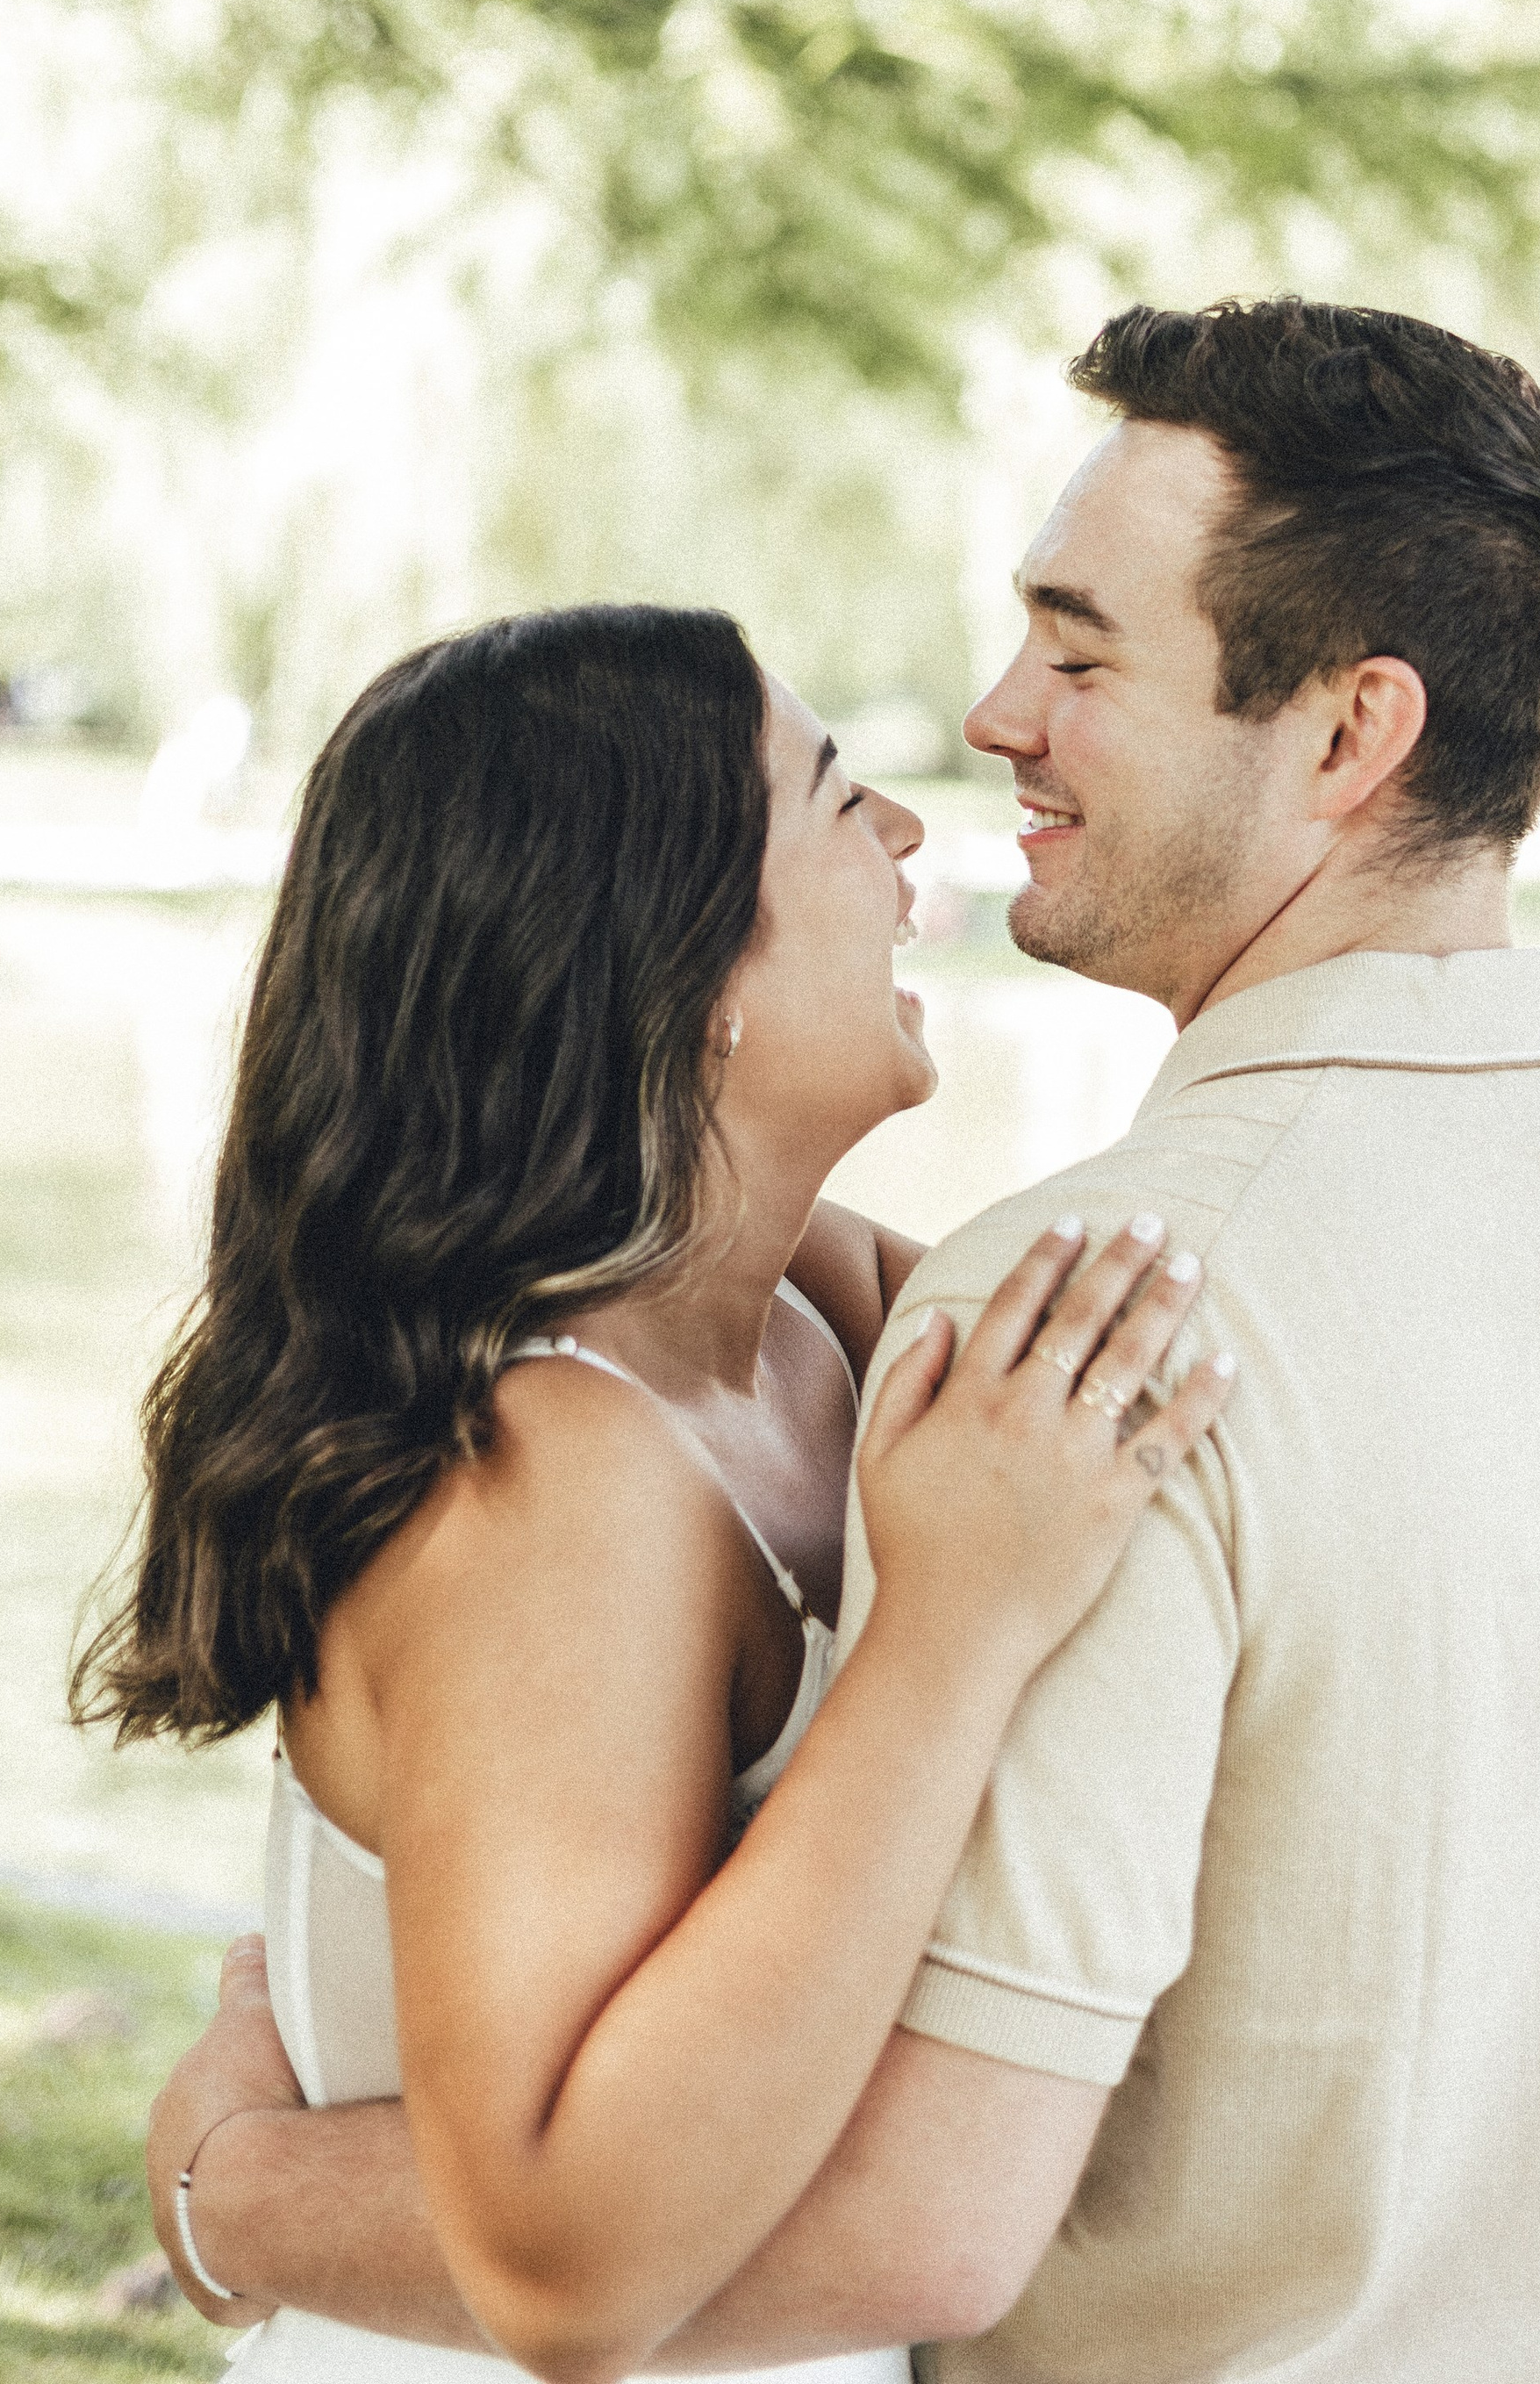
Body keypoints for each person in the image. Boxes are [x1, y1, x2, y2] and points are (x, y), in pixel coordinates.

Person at [145, 302, 1540, 2384]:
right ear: (666, 954)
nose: (970, 748)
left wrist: (237, 2193)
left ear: (1346, 736)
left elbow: (916, 2223)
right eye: (834, 797)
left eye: (1078, 657)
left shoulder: (965, 1316)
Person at [82, 602, 1236, 2384]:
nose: (910, 835)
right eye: (841, 798)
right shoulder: (551, 1475)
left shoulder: (809, 1314)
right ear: (690, 971)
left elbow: (1216, 1383)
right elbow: (568, 2269)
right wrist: (949, 1628)